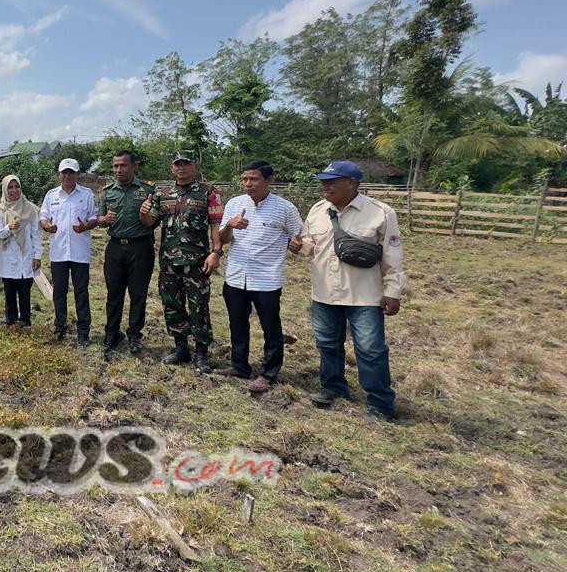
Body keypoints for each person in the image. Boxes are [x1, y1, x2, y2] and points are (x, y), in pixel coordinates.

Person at [297, 160, 405, 421]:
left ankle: (380, 403)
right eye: (323, 181)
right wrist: (298, 246)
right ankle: (333, 388)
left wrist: (393, 291)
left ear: (352, 183)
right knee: (327, 344)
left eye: (331, 182)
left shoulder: (381, 212)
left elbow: (393, 255)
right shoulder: (317, 210)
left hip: (364, 295)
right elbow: (310, 245)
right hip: (324, 292)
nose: (325, 186)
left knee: (370, 349)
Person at [214, 161, 303, 393]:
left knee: (270, 326)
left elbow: (300, 238)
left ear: (269, 180)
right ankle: (239, 365)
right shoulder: (235, 204)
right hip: (236, 275)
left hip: (267, 278)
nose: (247, 184)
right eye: (244, 179)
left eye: (253, 179)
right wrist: (231, 225)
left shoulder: (285, 209)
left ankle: (269, 373)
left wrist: (296, 244)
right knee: (237, 323)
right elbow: (222, 239)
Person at [151, 150, 224, 374]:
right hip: (168, 260)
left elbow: (215, 225)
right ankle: (180, 347)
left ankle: (201, 353)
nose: (181, 167)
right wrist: (145, 211)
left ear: (196, 165)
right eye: (177, 164)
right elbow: (150, 221)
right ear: (172, 167)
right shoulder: (162, 193)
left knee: (199, 306)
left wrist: (216, 252)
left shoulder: (209, 192)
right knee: (172, 304)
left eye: (186, 163)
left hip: (197, 261)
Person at [94, 150, 159, 357]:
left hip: (141, 247)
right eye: (115, 166)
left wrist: (147, 214)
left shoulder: (147, 190)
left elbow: (155, 220)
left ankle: (134, 335)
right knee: (114, 294)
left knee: (138, 294)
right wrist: (103, 220)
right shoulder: (107, 191)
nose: (118, 170)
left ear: (133, 167)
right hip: (115, 248)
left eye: (123, 165)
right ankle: (112, 333)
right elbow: (101, 219)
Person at [39, 158, 98, 345]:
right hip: (59, 252)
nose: (67, 176)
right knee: (59, 293)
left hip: (80, 253)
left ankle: (83, 332)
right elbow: (43, 217)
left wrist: (86, 226)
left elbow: (95, 217)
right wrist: (47, 225)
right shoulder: (51, 196)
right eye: (64, 172)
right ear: (59, 175)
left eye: (71, 172)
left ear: (78, 174)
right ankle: (60, 327)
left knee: (81, 292)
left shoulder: (86, 195)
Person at [0, 175, 42, 327]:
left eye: (17, 186)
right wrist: (10, 227)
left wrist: (37, 256)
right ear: (5, 190)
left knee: (25, 293)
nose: (14, 190)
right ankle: (11, 324)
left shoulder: (31, 209)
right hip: (8, 257)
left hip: (26, 257)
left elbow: (37, 235)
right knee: (10, 294)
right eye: (10, 187)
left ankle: (25, 323)